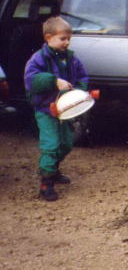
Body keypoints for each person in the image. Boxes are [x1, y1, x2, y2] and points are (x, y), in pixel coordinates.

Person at [24, 17, 89, 201]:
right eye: (62, 38)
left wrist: (79, 92)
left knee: (66, 143)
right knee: (51, 145)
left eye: (69, 39)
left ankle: (53, 169)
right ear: (48, 37)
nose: (67, 42)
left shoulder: (71, 58)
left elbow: (82, 76)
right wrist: (54, 81)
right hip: (46, 110)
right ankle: (46, 183)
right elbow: (31, 80)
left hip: (65, 110)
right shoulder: (39, 59)